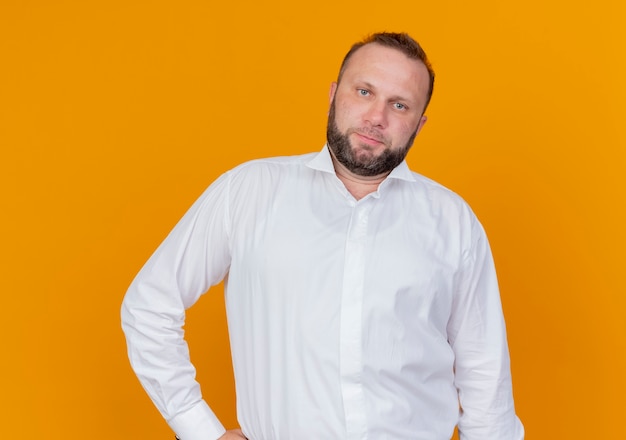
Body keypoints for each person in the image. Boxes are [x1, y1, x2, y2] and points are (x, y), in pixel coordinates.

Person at [121, 32, 525, 440]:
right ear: (334, 94)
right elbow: (149, 305)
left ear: (418, 124)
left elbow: (484, 373)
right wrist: (197, 428)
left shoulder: (453, 221)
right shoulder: (249, 191)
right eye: (364, 91)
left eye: (399, 104)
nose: (376, 117)